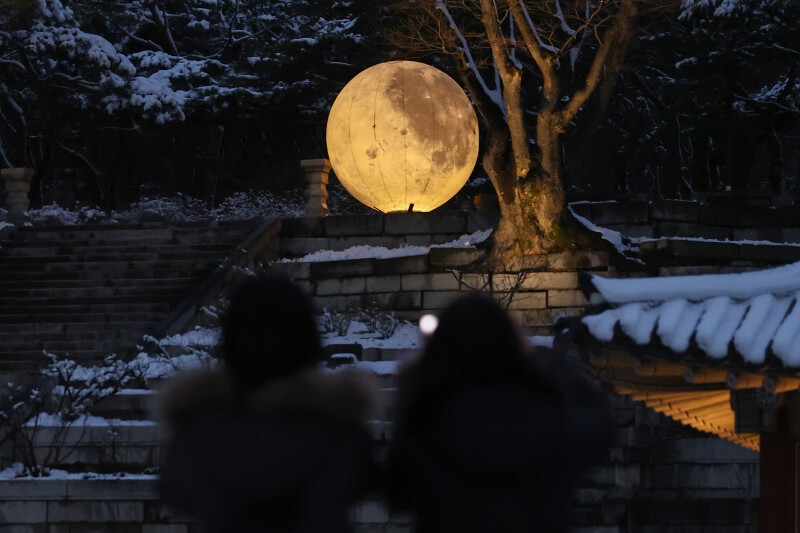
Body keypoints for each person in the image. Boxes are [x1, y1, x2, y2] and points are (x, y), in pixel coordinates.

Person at [159, 275, 378, 533]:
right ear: (308, 339)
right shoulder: (339, 428)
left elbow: (177, 493)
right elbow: (364, 483)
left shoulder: (198, 429)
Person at [386, 293, 613, 533]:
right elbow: (598, 426)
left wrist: (413, 388)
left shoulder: (428, 422)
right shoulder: (547, 416)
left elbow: (397, 493)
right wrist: (550, 363)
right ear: (512, 343)